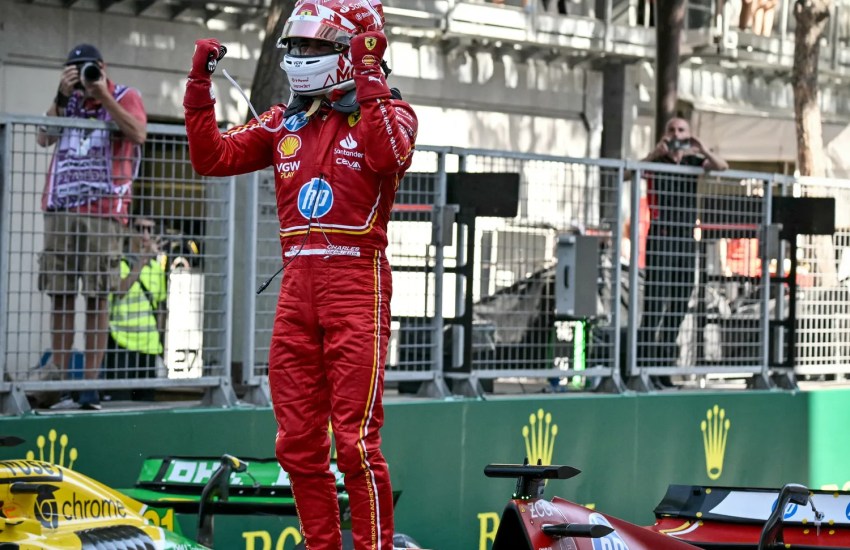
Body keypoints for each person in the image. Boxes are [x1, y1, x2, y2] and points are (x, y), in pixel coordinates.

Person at [182, 1, 417, 548]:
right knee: (296, 444)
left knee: (355, 442)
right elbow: (211, 158)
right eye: (297, 45)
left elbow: (389, 157)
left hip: (358, 285)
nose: (300, 56)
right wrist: (199, 85)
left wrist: (370, 76)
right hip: (296, 291)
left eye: (315, 46)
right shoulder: (282, 120)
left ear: (353, 48)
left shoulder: (392, 114)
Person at [35, 43, 147, 410]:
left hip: (104, 211)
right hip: (62, 208)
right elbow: (42, 136)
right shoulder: (67, 100)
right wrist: (62, 94)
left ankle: (89, 382)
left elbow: (137, 133)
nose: (83, 76)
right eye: (75, 70)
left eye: (88, 70)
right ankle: (58, 378)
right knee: (62, 293)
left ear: (102, 67)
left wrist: (101, 94)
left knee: (98, 295)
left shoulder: (124, 95)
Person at [637, 117, 727, 387]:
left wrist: (700, 148)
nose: (676, 135)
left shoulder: (692, 162)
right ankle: (642, 366)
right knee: (655, 303)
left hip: (686, 240)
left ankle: (663, 364)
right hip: (661, 238)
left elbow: (722, 166)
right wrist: (655, 153)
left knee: (680, 301)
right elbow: (630, 172)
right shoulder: (657, 162)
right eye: (672, 130)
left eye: (681, 131)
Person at [102, 217, 166, 402]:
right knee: (119, 403)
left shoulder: (156, 269)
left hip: (148, 347)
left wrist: (160, 342)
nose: (145, 235)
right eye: (140, 229)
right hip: (122, 344)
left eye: (149, 230)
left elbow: (160, 307)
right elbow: (121, 291)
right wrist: (142, 261)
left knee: (145, 404)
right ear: (130, 230)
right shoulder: (120, 263)